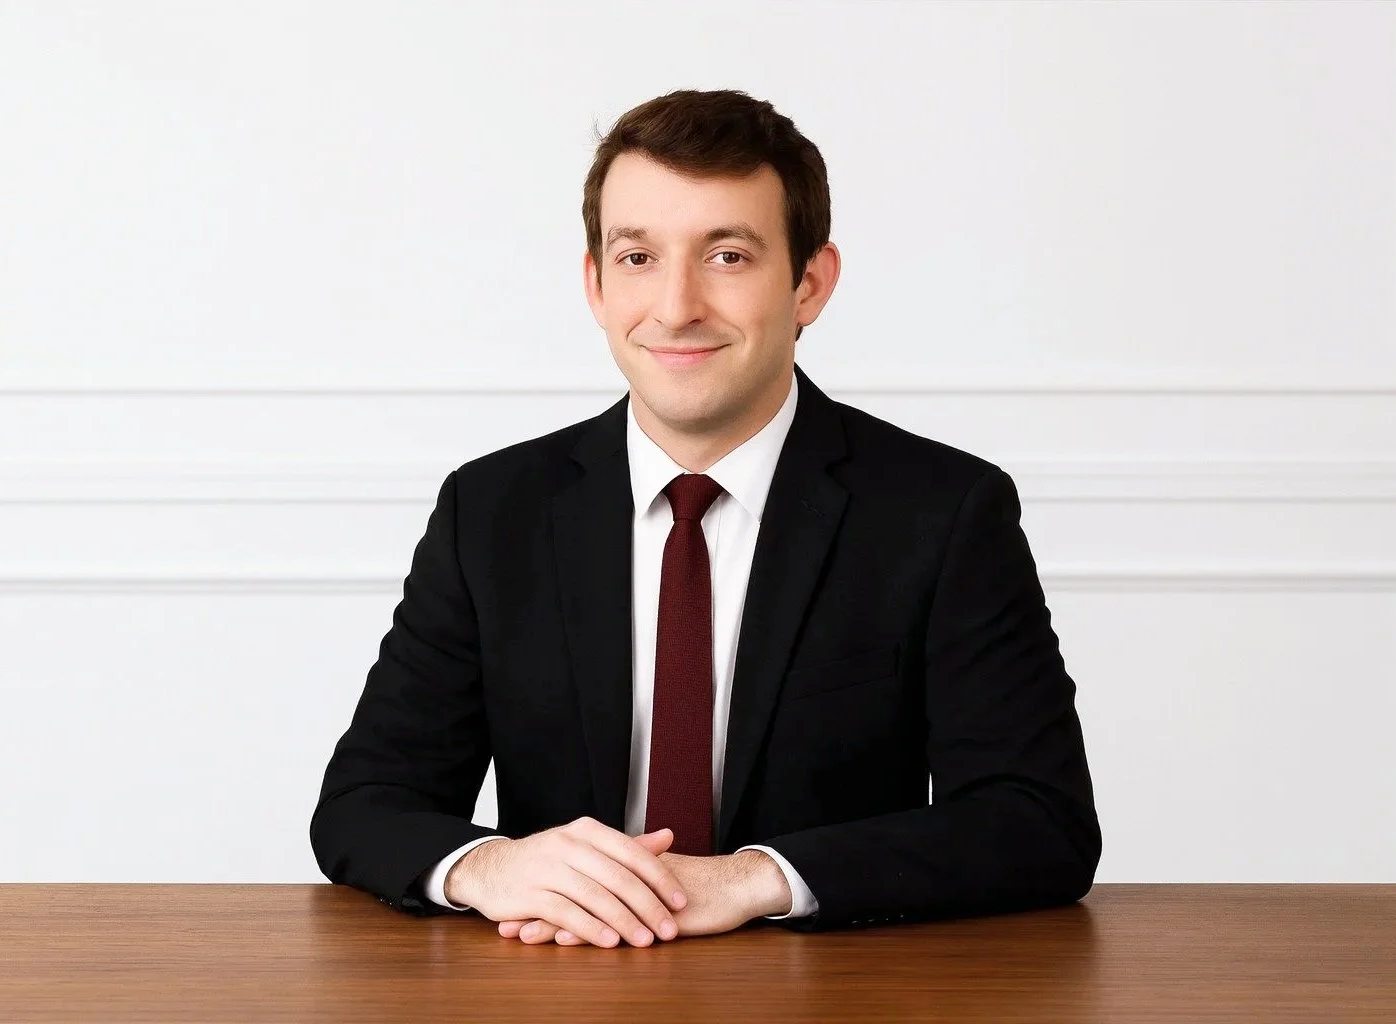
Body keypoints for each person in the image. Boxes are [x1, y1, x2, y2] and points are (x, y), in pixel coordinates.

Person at [310, 88, 1100, 948]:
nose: (677, 306)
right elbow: (364, 803)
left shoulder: (944, 511)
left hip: (836, 996)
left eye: (726, 256)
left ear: (810, 282)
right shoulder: (491, 509)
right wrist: (491, 865)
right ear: (596, 285)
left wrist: (757, 879)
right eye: (638, 257)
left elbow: (1038, 822)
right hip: (559, 987)